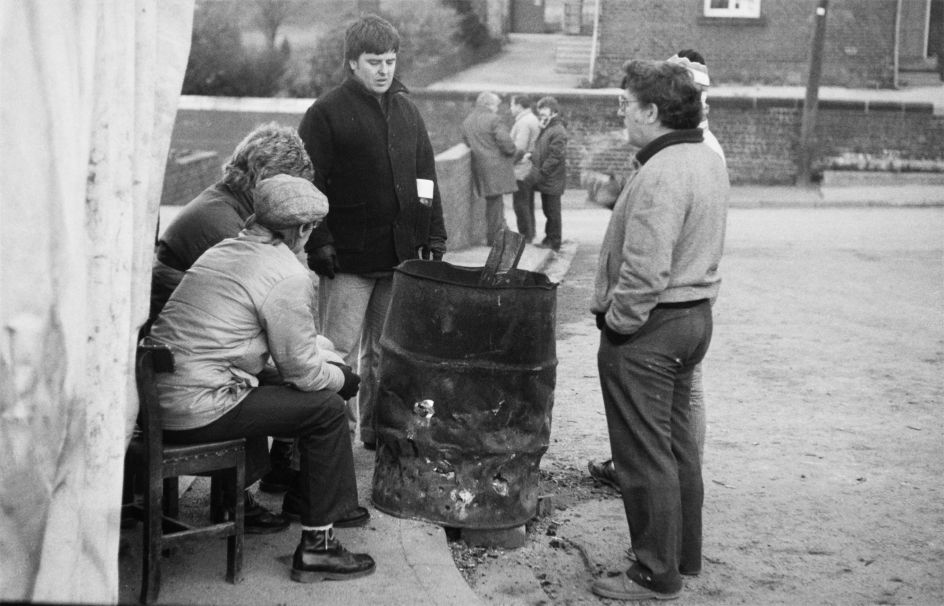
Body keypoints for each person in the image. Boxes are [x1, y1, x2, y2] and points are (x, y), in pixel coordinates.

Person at [150, 174, 376, 582]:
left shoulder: (223, 250)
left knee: (273, 384)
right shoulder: (285, 273)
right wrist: (342, 381)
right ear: (303, 229)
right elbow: (303, 371)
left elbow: (259, 353)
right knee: (325, 408)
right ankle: (318, 547)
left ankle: (290, 502)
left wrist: (320, 368)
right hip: (198, 408)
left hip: (161, 399)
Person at [589, 60, 728, 601]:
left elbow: (646, 271)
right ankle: (681, 556)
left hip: (652, 326)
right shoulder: (704, 157)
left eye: (627, 102)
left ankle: (653, 573)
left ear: (651, 112)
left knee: (643, 455)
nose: (622, 110)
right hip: (695, 318)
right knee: (676, 447)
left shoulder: (663, 170)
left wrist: (619, 326)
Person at [298, 14, 447, 450]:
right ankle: (333, 440)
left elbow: (426, 177)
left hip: (399, 252)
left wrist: (433, 234)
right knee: (336, 352)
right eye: (374, 61)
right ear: (351, 64)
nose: (384, 70)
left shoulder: (407, 111)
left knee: (386, 353)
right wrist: (320, 241)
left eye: (390, 60)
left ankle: (378, 433)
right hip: (346, 258)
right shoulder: (325, 113)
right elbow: (309, 182)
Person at [150, 122, 317, 496]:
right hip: (199, 374)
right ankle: (245, 492)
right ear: (264, 177)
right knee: (296, 379)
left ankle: (262, 478)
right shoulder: (229, 223)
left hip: (187, 360)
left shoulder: (228, 203)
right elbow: (272, 299)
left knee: (291, 367)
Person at [461, 91, 516, 245]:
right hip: (495, 167)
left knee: (494, 203)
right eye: (496, 105)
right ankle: (495, 239)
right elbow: (506, 142)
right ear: (489, 104)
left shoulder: (468, 121)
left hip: (478, 167)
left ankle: (500, 234)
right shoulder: (494, 119)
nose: (497, 108)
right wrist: (512, 150)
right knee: (495, 204)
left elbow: (465, 141)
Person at [523, 96, 567, 252]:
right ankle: (549, 238)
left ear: (554, 111)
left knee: (552, 211)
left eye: (545, 109)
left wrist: (543, 172)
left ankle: (554, 241)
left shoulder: (557, 130)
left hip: (551, 178)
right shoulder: (548, 128)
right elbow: (543, 149)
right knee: (549, 210)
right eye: (540, 109)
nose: (541, 112)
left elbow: (556, 155)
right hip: (548, 178)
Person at [509, 94, 541, 242]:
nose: (511, 108)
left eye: (512, 105)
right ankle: (531, 233)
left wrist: (510, 164)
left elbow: (520, 147)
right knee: (528, 203)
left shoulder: (523, 122)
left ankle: (525, 236)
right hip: (531, 167)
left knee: (520, 204)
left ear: (519, 105)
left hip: (522, 169)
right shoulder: (533, 119)